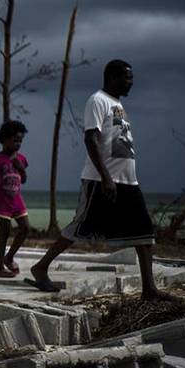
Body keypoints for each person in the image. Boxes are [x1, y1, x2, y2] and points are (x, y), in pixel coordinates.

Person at [27, 59, 164, 300]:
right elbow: (91, 139)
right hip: (101, 180)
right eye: (127, 78)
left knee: (144, 231)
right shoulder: (97, 100)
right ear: (112, 77)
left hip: (128, 181)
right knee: (80, 226)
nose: (131, 83)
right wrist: (106, 178)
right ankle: (41, 267)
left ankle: (149, 290)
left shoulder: (117, 104)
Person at [0, 120, 31, 278]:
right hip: (2, 200)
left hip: (17, 199)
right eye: (15, 140)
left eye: (20, 141)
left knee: (25, 228)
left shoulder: (22, 159)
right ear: (4, 139)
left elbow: (23, 179)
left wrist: (21, 168)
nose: (18, 144)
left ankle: (9, 257)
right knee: (5, 231)